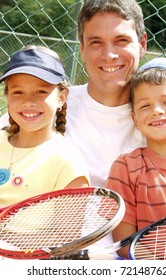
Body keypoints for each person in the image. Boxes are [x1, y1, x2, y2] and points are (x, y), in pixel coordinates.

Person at [0, 0, 147, 187]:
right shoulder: (47, 105)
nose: (109, 55)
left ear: (142, 44)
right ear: (83, 49)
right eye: (96, 42)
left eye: (121, 41)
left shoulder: (159, 116)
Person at [106, 57, 166, 259]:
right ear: (135, 120)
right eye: (145, 106)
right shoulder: (127, 167)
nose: (156, 111)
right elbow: (124, 242)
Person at [0, 45, 89, 209]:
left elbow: (68, 233)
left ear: (61, 98)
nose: (28, 101)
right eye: (18, 92)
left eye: (40, 92)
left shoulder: (68, 161)